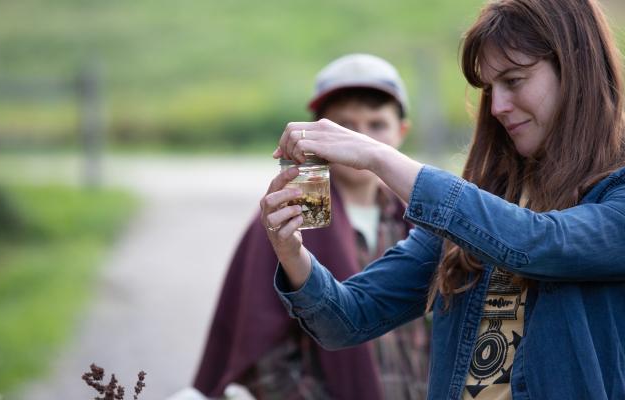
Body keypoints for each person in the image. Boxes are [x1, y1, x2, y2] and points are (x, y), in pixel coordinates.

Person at [261, 1, 625, 399]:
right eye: (489, 89)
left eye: (515, 81)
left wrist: (378, 156)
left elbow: (534, 243)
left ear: (575, 69)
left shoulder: (615, 192)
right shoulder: (482, 203)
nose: (498, 106)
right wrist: (291, 252)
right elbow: (347, 319)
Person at [190, 54, 431, 400]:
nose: (360, 138)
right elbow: (262, 354)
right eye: (345, 125)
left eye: (376, 124)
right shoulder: (287, 218)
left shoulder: (421, 221)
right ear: (319, 131)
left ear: (401, 131)